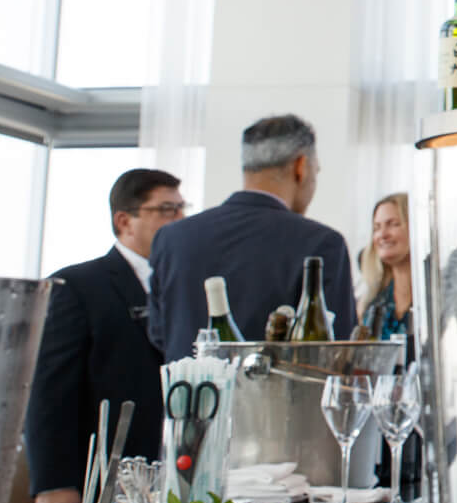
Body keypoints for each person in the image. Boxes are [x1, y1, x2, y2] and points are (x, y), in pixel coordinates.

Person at [23, 168, 187, 503]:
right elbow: (49, 391)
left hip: (173, 480)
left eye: (181, 208)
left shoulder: (184, 287)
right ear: (125, 220)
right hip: (103, 478)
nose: (179, 219)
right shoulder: (77, 285)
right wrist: (54, 484)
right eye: (166, 210)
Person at [148, 114, 355, 362]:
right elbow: (337, 350)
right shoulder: (322, 244)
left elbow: (159, 334)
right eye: (316, 171)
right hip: (280, 399)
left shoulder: (172, 238)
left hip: (186, 397)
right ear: (301, 167)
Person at [354, 192, 414, 343]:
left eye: (393, 224)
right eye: (376, 227)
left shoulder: (436, 296)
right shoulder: (371, 302)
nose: (382, 234)